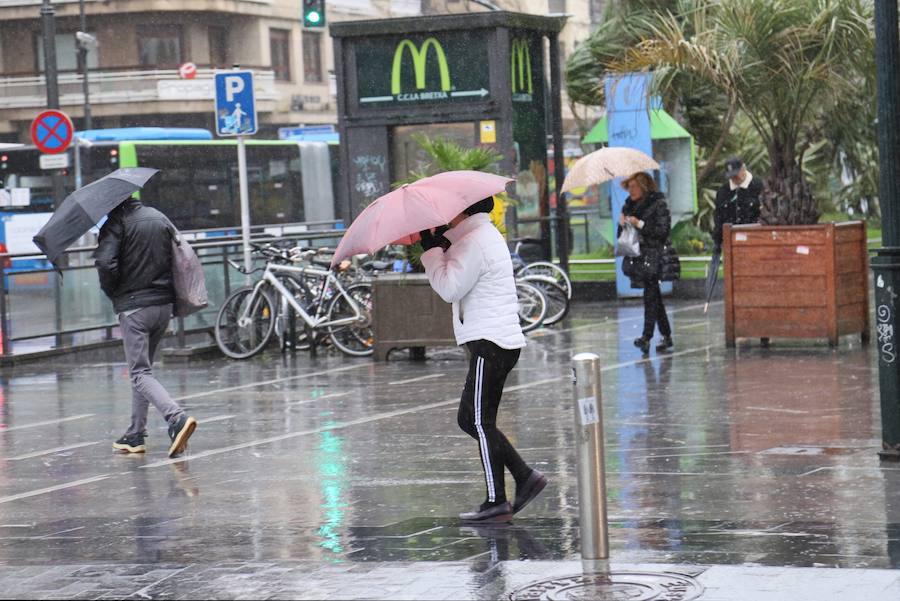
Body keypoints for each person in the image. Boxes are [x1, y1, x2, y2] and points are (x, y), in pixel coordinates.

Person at [419, 197, 547, 523]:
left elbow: (449, 289)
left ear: (463, 210)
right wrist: (443, 248)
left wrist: (432, 253)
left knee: (477, 420)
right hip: (495, 340)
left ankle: (496, 500)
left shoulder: (474, 242)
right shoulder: (478, 238)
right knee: (471, 418)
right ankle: (524, 477)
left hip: (490, 342)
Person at [94, 196, 197, 458]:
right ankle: (135, 434)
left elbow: (106, 264)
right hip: (163, 305)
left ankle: (176, 418)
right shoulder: (158, 216)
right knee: (143, 372)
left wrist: (115, 291)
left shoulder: (116, 223)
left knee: (139, 373)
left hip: (135, 308)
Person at [619, 172, 673, 355]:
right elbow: (624, 235)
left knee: (650, 296)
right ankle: (666, 335)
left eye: (634, 186)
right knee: (654, 297)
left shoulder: (658, 204)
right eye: (629, 187)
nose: (630, 190)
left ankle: (646, 337)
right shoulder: (628, 206)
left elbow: (663, 231)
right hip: (638, 257)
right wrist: (623, 224)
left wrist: (640, 224)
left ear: (643, 186)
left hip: (655, 255)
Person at [713, 157, 763, 252]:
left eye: (736, 174)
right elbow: (718, 216)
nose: (734, 178)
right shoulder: (723, 191)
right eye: (731, 176)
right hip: (731, 244)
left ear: (743, 168)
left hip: (756, 241)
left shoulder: (759, 186)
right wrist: (718, 240)